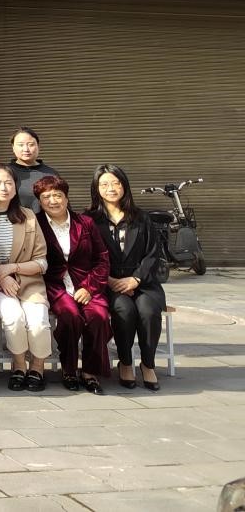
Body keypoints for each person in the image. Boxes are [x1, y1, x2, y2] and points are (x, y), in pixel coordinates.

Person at [89, 164, 166, 391]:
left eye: (116, 183)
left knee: (148, 311)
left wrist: (136, 279)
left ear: (124, 186)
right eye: (104, 184)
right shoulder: (90, 219)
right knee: (124, 310)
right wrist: (109, 280)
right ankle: (125, 362)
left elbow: (153, 254)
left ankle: (148, 364)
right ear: (96, 189)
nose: (111, 188)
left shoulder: (142, 218)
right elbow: (86, 256)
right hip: (107, 282)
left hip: (143, 282)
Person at [36, 175, 111, 394]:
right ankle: (69, 369)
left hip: (87, 283)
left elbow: (102, 258)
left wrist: (89, 287)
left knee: (98, 316)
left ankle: (90, 371)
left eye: (57, 195)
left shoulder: (85, 223)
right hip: (55, 284)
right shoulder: (36, 224)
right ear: (39, 201)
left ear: (67, 198)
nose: (53, 201)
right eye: (46, 197)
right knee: (70, 316)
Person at [0, 165, 51, 392]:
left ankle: (37, 367)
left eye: (8, 183)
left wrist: (13, 268)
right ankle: (19, 365)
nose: (4, 188)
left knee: (38, 322)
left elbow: (42, 261)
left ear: (15, 187)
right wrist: (0, 278)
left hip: (29, 283)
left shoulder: (28, 216)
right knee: (14, 318)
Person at [8, 127, 60, 211]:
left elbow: (62, 203)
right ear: (13, 147)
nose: (26, 149)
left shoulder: (50, 173)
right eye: (20, 145)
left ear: (38, 146)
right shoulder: (5, 172)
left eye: (31, 144)